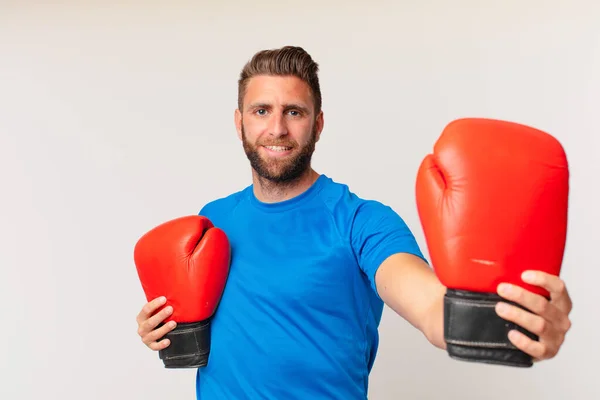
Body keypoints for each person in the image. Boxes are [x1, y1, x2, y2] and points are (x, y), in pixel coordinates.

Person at [135, 46, 573, 399]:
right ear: (239, 123)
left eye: (295, 111)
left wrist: (515, 324)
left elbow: (429, 306)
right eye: (261, 111)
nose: (278, 128)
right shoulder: (213, 221)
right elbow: (204, 332)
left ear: (318, 124)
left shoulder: (362, 221)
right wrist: (157, 327)